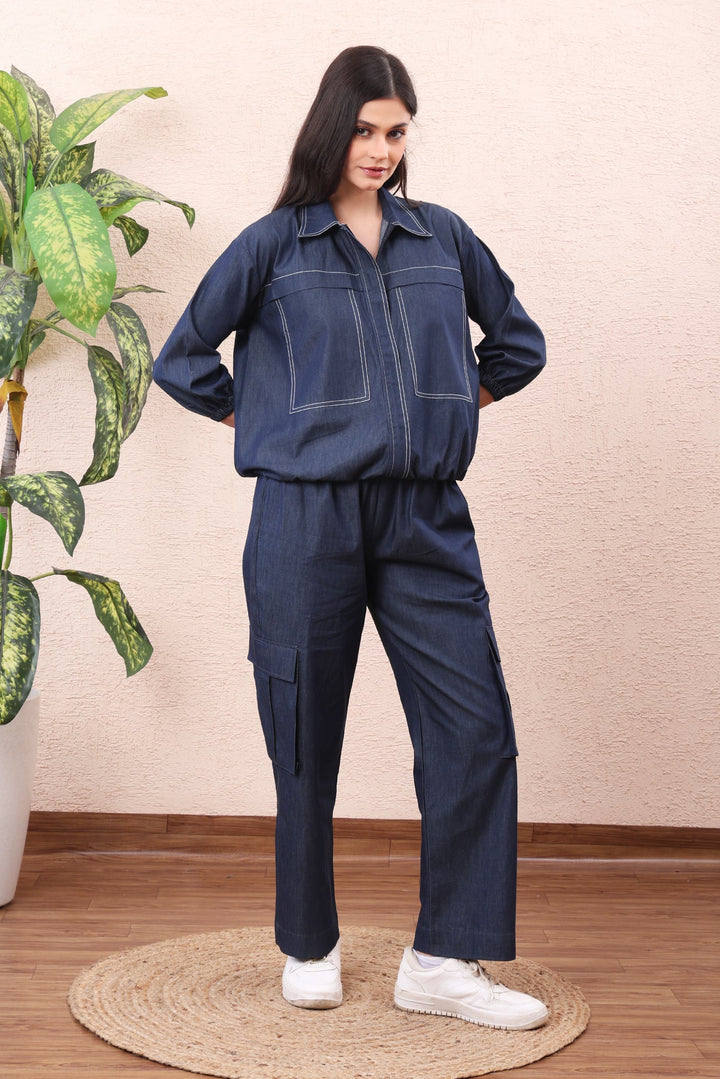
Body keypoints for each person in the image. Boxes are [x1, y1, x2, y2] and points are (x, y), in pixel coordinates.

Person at [154, 45, 548, 1031]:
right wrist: (270, 422)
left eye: (398, 131)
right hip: (304, 517)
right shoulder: (274, 244)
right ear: (334, 127)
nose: (381, 149)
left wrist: (457, 400)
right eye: (367, 129)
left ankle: (444, 960)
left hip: (425, 517)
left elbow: (517, 342)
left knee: (475, 729)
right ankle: (309, 942)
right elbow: (185, 356)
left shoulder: (441, 239)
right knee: (303, 734)